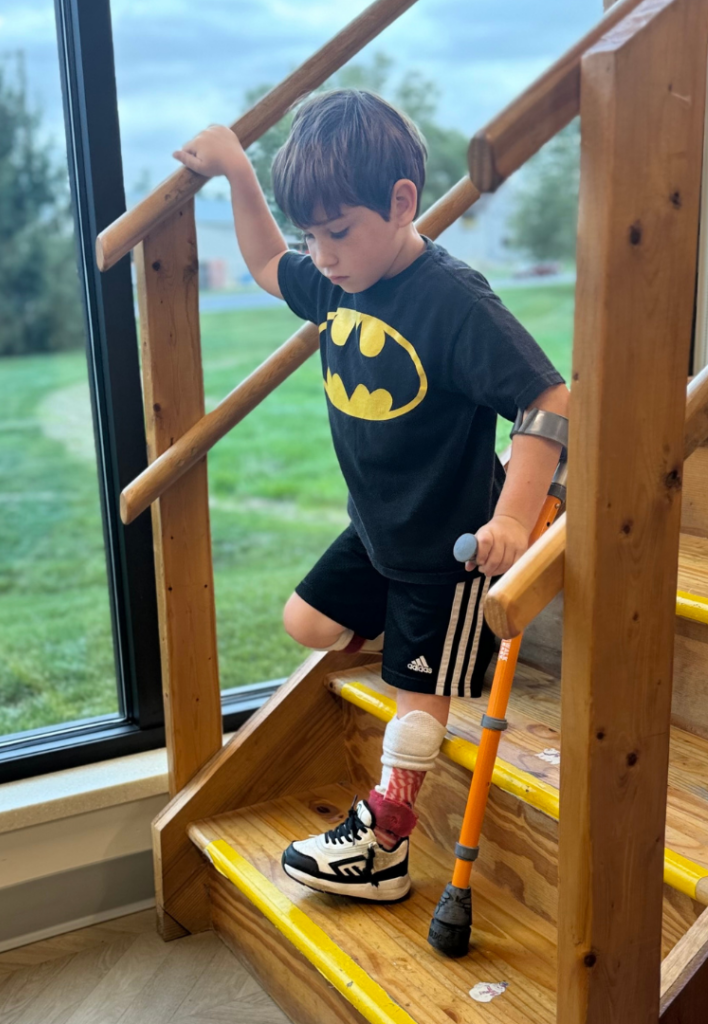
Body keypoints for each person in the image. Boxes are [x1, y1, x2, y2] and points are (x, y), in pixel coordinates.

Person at [173, 89, 569, 902]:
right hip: (377, 529)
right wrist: (237, 173)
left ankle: (387, 844)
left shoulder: (452, 301)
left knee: (414, 702)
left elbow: (550, 400)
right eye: (310, 236)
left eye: (338, 232)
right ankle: (438, 643)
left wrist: (511, 520)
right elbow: (258, 262)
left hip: (447, 545)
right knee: (306, 622)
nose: (322, 254)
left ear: (401, 202)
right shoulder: (336, 279)